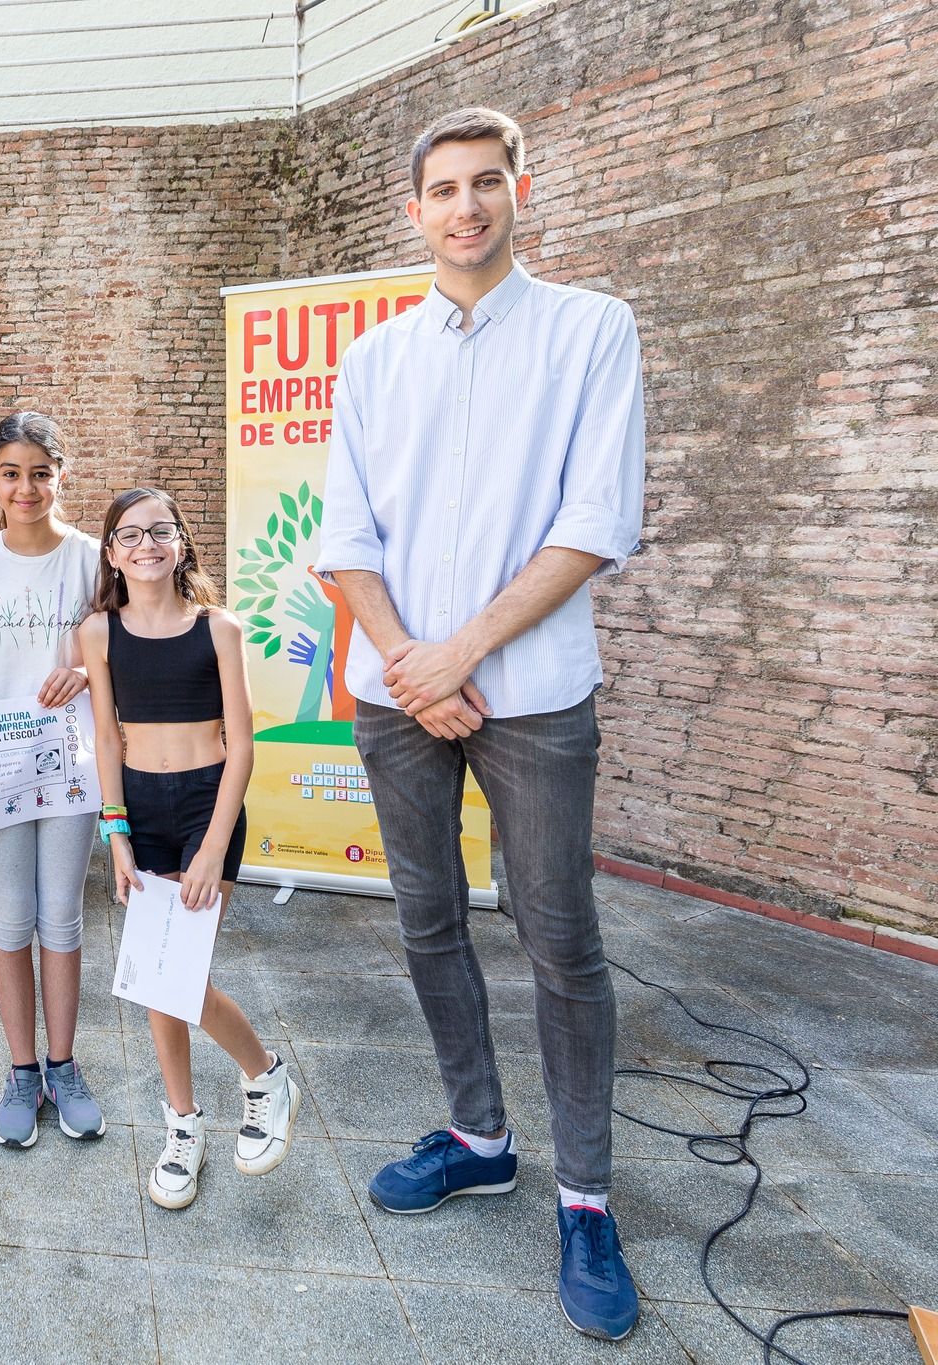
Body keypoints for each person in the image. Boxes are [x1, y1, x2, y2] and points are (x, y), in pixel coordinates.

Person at [313, 107, 647, 1341]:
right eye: (441, 189)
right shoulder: (371, 359)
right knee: (426, 920)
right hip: (397, 690)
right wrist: (411, 664)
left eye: (484, 184)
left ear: (518, 193)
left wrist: (461, 653)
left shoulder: (587, 332)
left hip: (533, 691)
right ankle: (479, 1134)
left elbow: (594, 518)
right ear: (412, 210)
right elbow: (343, 541)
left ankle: (583, 1196)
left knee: (560, 938)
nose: (463, 207)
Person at [77, 487, 301, 1210]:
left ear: (182, 545)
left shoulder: (220, 628)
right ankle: (185, 1124)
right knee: (154, 977)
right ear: (111, 552)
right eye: (130, 534)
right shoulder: (98, 633)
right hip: (139, 808)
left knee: (177, 970)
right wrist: (115, 833)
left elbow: (243, 747)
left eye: (161, 531)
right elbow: (107, 738)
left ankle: (264, 1073)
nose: (146, 544)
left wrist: (211, 849)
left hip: (209, 804)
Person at [0, 412, 105, 1148]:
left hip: (69, 763)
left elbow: (111, 653)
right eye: (12, 473)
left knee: (60, 918)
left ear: (60, 475)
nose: (27, 486)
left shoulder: (91, 559)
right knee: (8, 920)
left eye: (41, 472)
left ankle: (64, 1065)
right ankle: (21, 1069)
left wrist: (84, 670)